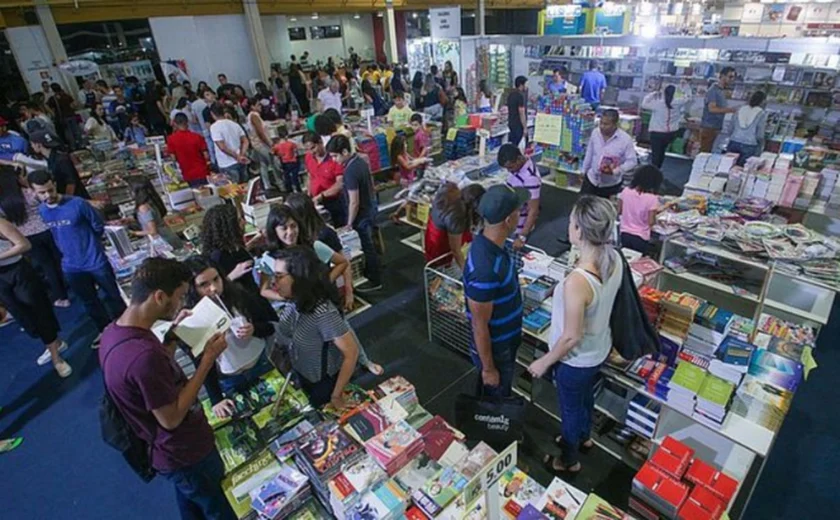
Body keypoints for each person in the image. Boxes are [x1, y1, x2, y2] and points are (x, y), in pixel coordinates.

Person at [99, 258, 235, 519]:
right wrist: (207, 360)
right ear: (160, 296)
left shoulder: (116, 332)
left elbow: (155, 378)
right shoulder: (142, 356)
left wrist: (172, 335)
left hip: (168, 453)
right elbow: (171, 418)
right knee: (218, 506)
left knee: (192, 501)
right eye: (180, 296)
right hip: (183, 451)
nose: (182, 303)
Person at [527, 196, 622, 475]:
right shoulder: (614, 259)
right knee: (585, 398)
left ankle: (569, 460)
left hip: (575, 360)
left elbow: (571, 337)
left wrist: (544, 362)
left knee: (569, 409)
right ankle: (584, 436)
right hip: (598, 349)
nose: (568, 226)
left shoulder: (578, 281)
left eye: (571, 222)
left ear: (579, 230)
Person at [28, 169, 126, 336]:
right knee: (89, 302)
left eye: (50, 190)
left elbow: (97, 226)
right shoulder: (42, 211)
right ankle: (105, 332)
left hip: (95, 260)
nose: (47, 195)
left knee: (113, 296)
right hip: (71, 265)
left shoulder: (78, 204)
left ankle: (124, 329)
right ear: (33, 192)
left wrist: (91, 245)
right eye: (42, 193)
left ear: (55, 184)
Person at [183, 256, 277, 418]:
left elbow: (270, 325)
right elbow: (200, 362)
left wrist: (254, 329)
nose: (213, 288)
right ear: (192, 288)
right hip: (230, 378)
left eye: (216, 279)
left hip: (261, 363)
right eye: (204, 284)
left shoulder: (239, 296)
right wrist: (216, 399)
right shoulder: (192, 319)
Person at [270, 246, 359, 407]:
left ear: (299, 277)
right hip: (302, 373)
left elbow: (351, 353)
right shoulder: (293, 302)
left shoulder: (323, 313)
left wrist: (336, 395)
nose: (273, 282)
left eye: (279, 276)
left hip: (323, 383)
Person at [464, 185, 529, 398]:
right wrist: (489, 369)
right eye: (518, 210)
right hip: (497, 350)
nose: (521, 213)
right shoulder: (485, 270)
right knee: (496, 399)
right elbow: (479, 325)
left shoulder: (493, 247)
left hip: (506, 341)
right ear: (508, 220)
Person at [0, 215, 72, 377]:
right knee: (23, 317)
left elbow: (24, 244)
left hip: (16, 271)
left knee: (38, 311)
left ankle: (56, 357)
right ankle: (54, 343)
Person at [0, 166, 69, 309]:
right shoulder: (29, 193)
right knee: (60, 259)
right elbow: (47, 202)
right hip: (47, 230)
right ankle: (75, 284)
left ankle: (61, 297)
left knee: (47, 266)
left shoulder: (4, 202)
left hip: (26, 238)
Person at [263, 204, 353, 311]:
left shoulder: (314, 246)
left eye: (293, 226)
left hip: (324, 303)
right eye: (284, 228)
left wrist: (324, 283)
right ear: (274, 231)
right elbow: (264, 290)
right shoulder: (269, 257)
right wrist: (286, 297)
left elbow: (342, 262)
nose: (290, 232)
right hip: (296, 309)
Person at [326, 134, 382, 292]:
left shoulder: (350, 171)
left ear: (344, 152)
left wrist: (349, 223)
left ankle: (374, 279)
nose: (334, 160)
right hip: (369, 208)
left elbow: (354, 201)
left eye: (335, 156)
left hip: (361, 214)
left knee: (367, 246)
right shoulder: (360, 161)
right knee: (371, 242)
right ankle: (374, 271)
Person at [200, 204, 264, 300]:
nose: (244, 222)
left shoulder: (230, 245)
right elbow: (217, 288)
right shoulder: (217, 256)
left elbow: (235, 257)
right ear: (228, 227)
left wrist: (251, 244)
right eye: (239, 220)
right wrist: (233, 275)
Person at [424, 182, 485, 269]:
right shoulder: (457, 216)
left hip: (435, 229)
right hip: (441, 241)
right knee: (442, 266)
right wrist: (466, 271)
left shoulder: (451, 191)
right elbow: (456, 250)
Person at [580, 109, 637, 198]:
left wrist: (617, 170)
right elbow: (590, 152)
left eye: (606, 124)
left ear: (615, 125)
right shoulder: (595, 133)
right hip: (591, 180)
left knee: (604, 207)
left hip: (610, 185)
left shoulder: (625, 140)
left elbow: (632, 161)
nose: (602, 126)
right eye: (601, 123)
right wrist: (583, 170)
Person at [499, 144, 541, 246]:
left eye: (511, 167)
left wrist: (522, 236)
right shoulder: (518, 168)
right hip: (510, 221)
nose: (509, 171)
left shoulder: (530, 179)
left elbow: (533, 210)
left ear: (519, 159)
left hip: (518, 227)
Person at [29, 130, 91, 200]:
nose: (32, 146)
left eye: (32, 144)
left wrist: (66, 200)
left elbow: (71, 183)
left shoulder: (61, 160)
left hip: (77, 198)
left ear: (38, 145)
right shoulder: (51, 159)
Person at [642, 83, 692, 168]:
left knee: (655, 155)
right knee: (661, 152)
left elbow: (644, 104)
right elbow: (688, 97)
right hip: (670, 133)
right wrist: (685, 86)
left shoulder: (658, 103)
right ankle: (658, 169)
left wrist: (654, 93)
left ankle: (654, 171)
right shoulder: (678, 102)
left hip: (657, 133)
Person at [303, 131, 347, 227]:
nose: (311, 152)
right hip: (317, 202)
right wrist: (308, 194)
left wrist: (322, 195)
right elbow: (310, 176)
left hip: (335, 202)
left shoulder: (334, 158)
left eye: (313, 148)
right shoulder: (308, 157)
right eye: (307, 150)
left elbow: (340, 183)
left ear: (320, 142)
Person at [618, 165, 664, 255]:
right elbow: (650, 222)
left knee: (625, 256)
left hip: (624, 233)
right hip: (641, 236)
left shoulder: (625, 191)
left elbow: (619, 211)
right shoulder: (652, 198)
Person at [129, 179, 184, 250]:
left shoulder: (143, 207)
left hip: (164, 241)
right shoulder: (151, 201)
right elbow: (151, 218)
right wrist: (129, 220)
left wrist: (134, 233)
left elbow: (153, 231)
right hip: (168, 235)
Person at [246, 99, 282, 191]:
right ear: (252, 106)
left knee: (263, 164)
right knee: (273, 162)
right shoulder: (254, 116)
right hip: (261, 144)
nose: (260, 107)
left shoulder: (252, 116)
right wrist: (270, 144)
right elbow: (260, 132)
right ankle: (280, 182)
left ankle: (267, 184)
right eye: (258, 105)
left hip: (257, 143)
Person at [166, 113, 210, 187]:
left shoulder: (171, 139)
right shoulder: (197, 137)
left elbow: (173, 158)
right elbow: (206, 156)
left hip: (187, 174)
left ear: (175, 124)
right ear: (187, 122)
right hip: (202, 172)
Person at [700, 66, 738, 153]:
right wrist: (730, 110)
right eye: (730, 77)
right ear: (722, 76)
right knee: (704, 153)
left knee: (710, 152)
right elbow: (712, 109)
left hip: (716, 127)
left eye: (733, 77)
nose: (732, 80)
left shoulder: (721, 91)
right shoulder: (713, 90)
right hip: (709, 127)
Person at [210, 103, 249, 183]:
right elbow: (245, 141)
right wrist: (241, 154)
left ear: (212, 114)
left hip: (226, 163)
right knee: (245, 186)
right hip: (241, 161)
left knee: (233, 188)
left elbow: (222, 147)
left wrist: (236, 156)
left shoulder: (214, 127)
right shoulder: (234, 124)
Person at [727, 91, 767, 166]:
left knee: (728, 166)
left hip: (734, 141)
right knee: (743, 168)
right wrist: (761, 145)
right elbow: (759, 135)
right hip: (750, 144)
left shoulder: (740, 109)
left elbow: (730, 128)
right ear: (762, 101)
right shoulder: (761, 113)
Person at [47, 83, 81, 150]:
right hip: (71, 115)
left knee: (68, 133)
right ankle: (80, 144)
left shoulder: (53, 99)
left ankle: (72, 146)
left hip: (63, 117)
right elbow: (74, 104)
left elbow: (50, 108)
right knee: (76, 131)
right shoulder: (66, 95)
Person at [272, 126, 302, 193]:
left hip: (284, 163)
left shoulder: (277, 146)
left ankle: (289, 191)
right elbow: (296, 150)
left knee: (287, 178)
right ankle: (298, 190)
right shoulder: (291, 144)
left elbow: (273, 153)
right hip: (293, 162)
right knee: (295, 178)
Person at [507, 76, 528, 148]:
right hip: (518, 125)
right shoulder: (520, 96)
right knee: (520, 146)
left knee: (514, 145)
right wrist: (525, 127)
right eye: (526, 84)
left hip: (511, 123)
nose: (527, 86)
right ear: (521, 85)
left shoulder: (511, 95)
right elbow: (521, 113)